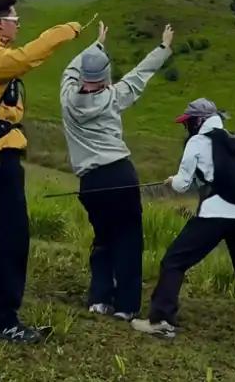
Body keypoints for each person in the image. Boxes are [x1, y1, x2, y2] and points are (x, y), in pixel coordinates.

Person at [0, 0, 82, 343]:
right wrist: (64, 31)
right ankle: (0, 319)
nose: (18, 24)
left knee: (6, 238)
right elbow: (26, 59)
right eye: (14, 19)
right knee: (13, 240)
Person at [131, 98, 235, 349]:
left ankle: (161, 320)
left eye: (187, 123)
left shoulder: (198, 141)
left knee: (174, 262)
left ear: (198, 121)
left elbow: (182, 184)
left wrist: (171, 181)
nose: (186, 127)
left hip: (214, 214)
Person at [60, 20, 174, 320]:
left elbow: (70, 69)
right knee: (129, 239)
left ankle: (99, 299)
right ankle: (126, 306)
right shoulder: (113, 96)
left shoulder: (67, 97)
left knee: (103, 237)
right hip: (120, 174)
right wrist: (163, 47)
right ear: (106, 77)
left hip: (90, 182)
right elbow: (140, 75)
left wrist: (96, 44)